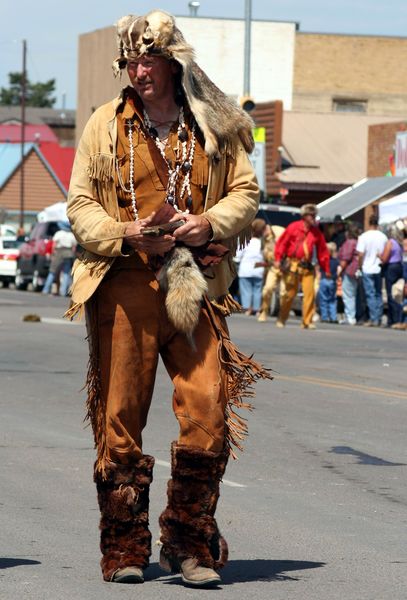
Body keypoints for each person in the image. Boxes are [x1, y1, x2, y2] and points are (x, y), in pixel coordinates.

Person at [65, 10, 269, 588]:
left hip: (196, 284)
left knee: (208, 406)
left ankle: (189, 543)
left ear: (172, 61)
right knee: (121, 414)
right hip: (125, 281)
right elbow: (80, 205)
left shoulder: (215, 124)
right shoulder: (104, 124)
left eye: (147, 59)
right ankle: (125, 547)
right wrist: (124, 231)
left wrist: (208, 223)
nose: (137, 70)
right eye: (129, 61)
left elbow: (246, 192)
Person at [274, 203, 330, 329]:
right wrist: (278, 258)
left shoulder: (316, 233)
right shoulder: (293, 227)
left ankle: (307, 321)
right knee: (289, 294)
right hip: (292, 265)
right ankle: (282, 318)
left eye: (314, 215)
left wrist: (325, 268)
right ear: (304, 216)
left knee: (310, 294)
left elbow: (322, 251)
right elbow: (282, 243)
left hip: (307, 267)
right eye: (311, 215)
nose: (314, 217)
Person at [356, 215, 387, 327]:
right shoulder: (383, 237)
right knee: (378, 293)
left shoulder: (364, 236)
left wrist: (359, 266)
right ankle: (377, 317)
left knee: (370, 294)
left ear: (369, 222)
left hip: (367, 267)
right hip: (378, 267)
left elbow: (360, 254)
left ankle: (374, 318)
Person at [236, 218, 267, 315]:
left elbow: (237, 256)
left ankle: (247, 308)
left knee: (246, 290)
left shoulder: (246, 241)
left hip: (246, 269)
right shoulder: (264, 243)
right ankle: (257, 309)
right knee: (257, 290)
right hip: (259, 269)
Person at [257, 223, 285, 322]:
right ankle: (264, 311)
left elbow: (289, 241)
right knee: (267, 289)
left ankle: (282, 315)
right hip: (273, 267)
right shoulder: (264, 239)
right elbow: (265, 254)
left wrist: (279, 242)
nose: (262, 234)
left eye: (262, 231)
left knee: (283, 292)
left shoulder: (278, 230)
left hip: (285, 266)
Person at [42, 223, 76, 296]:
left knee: (52, 271)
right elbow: (73, 247)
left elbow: (54, 244)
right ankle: (63, 292)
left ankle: (46, 289)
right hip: (69, 252)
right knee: (66, 273)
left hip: (59, 252)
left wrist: (53, 254)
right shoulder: (71, 235)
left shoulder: (59, 233)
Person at [379, 226, 403, 327]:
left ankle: (393, 320)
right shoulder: (399, 243)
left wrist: (378, 256)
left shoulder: (390, 242)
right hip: (398, 266)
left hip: (391, 267)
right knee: (397, 292)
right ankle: (397, 317)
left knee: (390, 294)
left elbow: (384, 258)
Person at [338, 223, 359, 325]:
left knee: (348, 294)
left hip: (349, 270)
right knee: (353, 294)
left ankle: (350, 316)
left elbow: (345, 258)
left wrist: (339, 270)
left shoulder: (349, 243)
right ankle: (351, 316)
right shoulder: (357, 242)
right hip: (356, 271)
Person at [319, 242, 339, 322]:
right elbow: (337, 271)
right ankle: (333, 317)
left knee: (323, 299)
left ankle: (324, 317)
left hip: (324, 280)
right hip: (332, 281)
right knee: (332, 300)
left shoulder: (322, 260)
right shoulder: (335, 261)